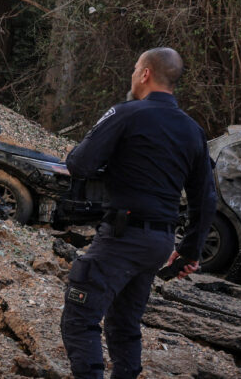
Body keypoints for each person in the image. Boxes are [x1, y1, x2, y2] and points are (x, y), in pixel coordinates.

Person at [60, 48, 216, 379]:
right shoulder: (193, 131)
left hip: (122, 236)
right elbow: (205, 199)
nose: (132, 75)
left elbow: (80, 164)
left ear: (145, 74)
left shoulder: (126, 113)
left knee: (80, 317)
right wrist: (189, 251)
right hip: (159, 243)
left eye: (135, 69)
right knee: (124, 323)